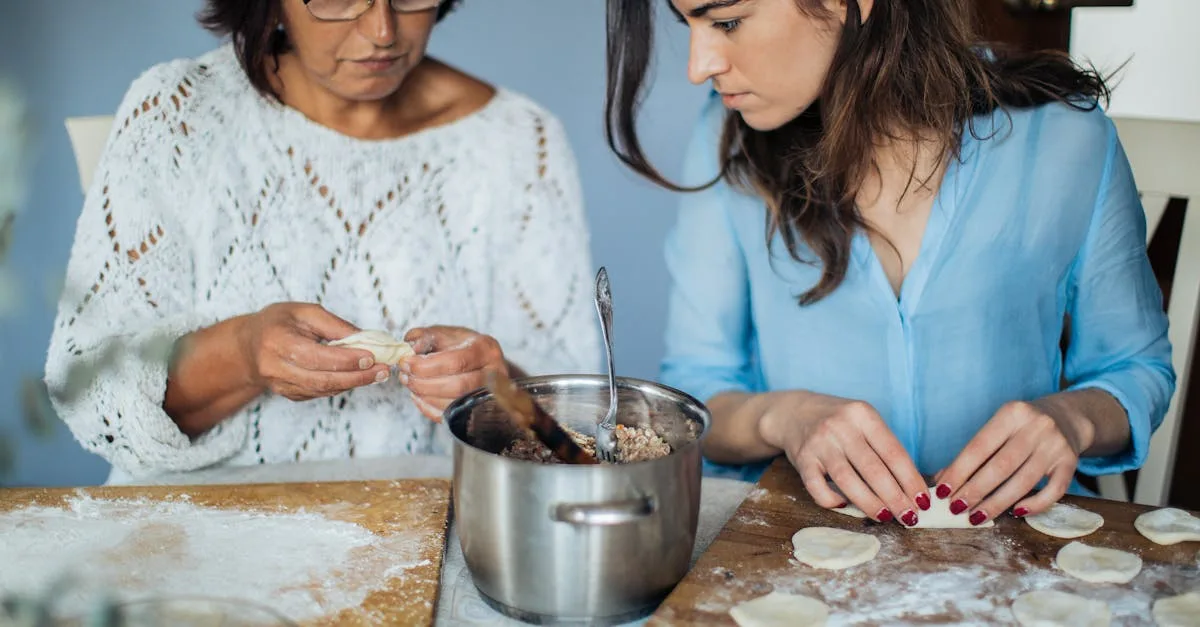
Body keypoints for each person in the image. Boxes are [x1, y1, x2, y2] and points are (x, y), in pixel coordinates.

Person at [604, 0, 1174, 527]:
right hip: (792, 539)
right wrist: (783, 416)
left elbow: (1135, 368)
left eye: (727, 22)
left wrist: (1071, 420)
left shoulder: (1065, 139)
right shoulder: (724, 139)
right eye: (691, 27)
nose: (698, 67)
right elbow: (696, 392)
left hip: (1021, 546)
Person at [45, 0, 599, 482]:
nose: (382, 30)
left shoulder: (521, 142)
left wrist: (495, 393)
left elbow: (573, 436)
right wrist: (244, 353)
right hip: (195, 538)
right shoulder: (178, 114)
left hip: (425, 536)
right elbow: (89, 395)